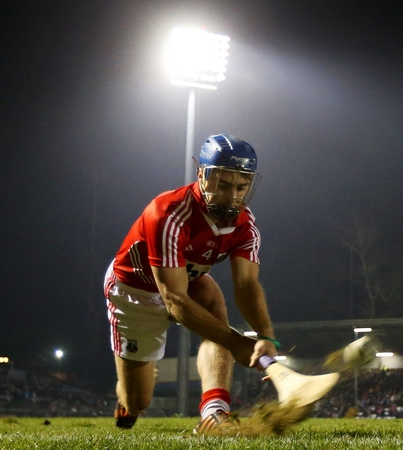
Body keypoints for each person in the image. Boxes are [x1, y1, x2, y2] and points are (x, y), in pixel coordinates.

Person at [105, 134, 336, 432]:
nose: (232, 196)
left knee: (213, 304)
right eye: (223, 185)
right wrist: (236, 342)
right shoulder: (167, 213)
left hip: (188, 280)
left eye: (241, 187)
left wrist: (266, 336)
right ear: (201, 174)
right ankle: (127, 397)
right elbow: (174, 300)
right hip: (136, 291)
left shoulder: (245, 225)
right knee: (139, 401)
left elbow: (247, 285)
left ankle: (214, 412)